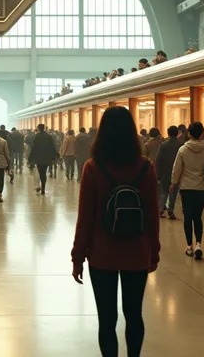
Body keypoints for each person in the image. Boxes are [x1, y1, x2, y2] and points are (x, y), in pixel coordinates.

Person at [71, 106, 160, 357]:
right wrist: (153, 251)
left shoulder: (93, 167)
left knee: (107, 319)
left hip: (102, 255)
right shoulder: (146, 168)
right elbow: (153, 216)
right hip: (137, 252)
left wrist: (78, 256)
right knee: (134, 315)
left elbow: (85, 218)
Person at [170, 121, 204, 260]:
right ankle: (199, 244)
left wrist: (174, 183)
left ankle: (189, 247)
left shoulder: (183, 149)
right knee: (198, 217)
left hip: (187, 188)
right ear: (202, 134)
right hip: (202, 188)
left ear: (188, 133)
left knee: (188, 217)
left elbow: (177, 169)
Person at [155, 126, 181, 219]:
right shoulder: (180, 145)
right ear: (177, 133)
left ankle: (161, 209)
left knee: (164, 192)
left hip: (164, 172)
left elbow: (158, 160)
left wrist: (157, 172)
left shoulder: (163, 145)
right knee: (173, 192)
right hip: (176, 172)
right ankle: (170, 209)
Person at [30, 124, 57, 195]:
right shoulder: (48, 136)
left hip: (38, 158)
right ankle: (43, 187)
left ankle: (42, 186)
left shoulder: (36, 136)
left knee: (40, 172)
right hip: (46, 157)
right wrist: (54, 156)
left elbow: (33, 148)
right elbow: (52, 147)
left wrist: (30, 158)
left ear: (38, 128)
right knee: (44, 173)